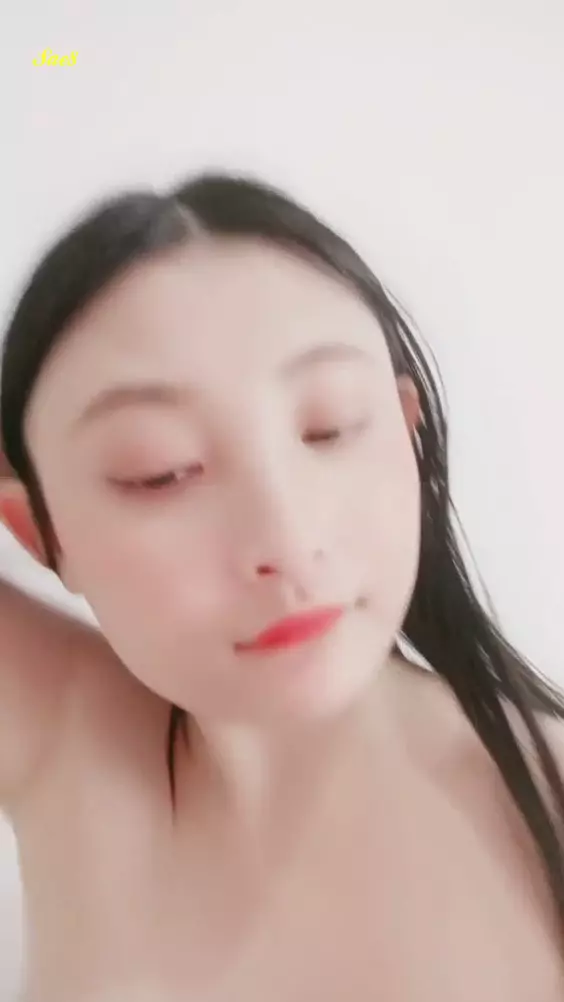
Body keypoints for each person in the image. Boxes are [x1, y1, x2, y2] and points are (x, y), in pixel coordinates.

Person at [0, 172, 563, 1002]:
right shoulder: (61, 734)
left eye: (329, 427)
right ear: (39, 531)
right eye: (161, 470)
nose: (287, 542)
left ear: (408, 437)